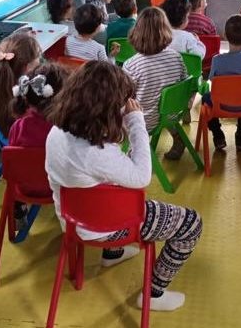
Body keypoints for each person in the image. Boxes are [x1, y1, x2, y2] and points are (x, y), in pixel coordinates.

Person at [45, 61, 202, 312]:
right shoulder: (97, 152)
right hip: (102, 228)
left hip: (72, 220)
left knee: (112, 190)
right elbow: (142, 177)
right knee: (191, 224)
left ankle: (113, 254)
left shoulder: (57, 131)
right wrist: (136, 122)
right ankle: (154, 294)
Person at [9, 62, 68, 225]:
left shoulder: (18, 126)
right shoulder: (63, 129)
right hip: (57, 188)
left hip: (23, 187)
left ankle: (19, 209)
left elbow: (12, 157)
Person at [123, 7, 187, 158]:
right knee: (163, 105)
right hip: (172, 114)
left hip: (144, 121)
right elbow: (184, 82)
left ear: (136, 32)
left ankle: (134, 153)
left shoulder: (131, 65)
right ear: (166, 30)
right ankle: (177, 136)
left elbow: (124, 98)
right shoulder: (176, 57)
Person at [205, 14, 241, 151]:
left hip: (220, 105)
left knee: (205, 97)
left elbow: (211, 80)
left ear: (225, 36)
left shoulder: (217, 60)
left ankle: (217, 135)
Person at [0, 31, 42, 139]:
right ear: (28, 67)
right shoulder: (34, 96)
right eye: (38, 56)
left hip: (8, 142)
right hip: (31, 144)